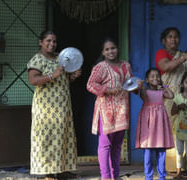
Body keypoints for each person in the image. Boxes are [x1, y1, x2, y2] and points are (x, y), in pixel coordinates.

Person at [27, 30, 81, 179]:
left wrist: (73, 76)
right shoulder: (36, 60)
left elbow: (64, 79)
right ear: (41, 42)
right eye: (48, 41)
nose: (52, 44)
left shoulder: (61, 58)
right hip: (46, 109)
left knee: (64, 136)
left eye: (54, 41)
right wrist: (52, 75)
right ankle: (48, 172)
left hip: (62, 105)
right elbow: (33, 80)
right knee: (47, 138)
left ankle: (63, 169)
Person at [86, 37, 141, 180]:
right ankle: (106, 176)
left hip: (122, 110)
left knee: (117, 146)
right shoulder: (100, 67)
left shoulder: (126, 65)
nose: (111, 51)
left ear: (118, 49)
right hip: (106, 111)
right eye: (107, 49)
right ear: (103, 52)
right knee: (105, 145)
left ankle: (115, 176)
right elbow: (90, 84)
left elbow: (131, 86)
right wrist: (108, 90)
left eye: (113, 48)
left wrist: (137, 87)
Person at [155, 26, 187, 172]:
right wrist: (185, 57)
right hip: (169, 99)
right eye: (170, 37)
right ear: (164, 40)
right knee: (172, 132)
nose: (173, 39)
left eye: (176, 36)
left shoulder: (185, 54)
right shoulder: (161, 53)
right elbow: (167, 67)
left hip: (186, 98)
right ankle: (173, 167)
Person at [135, 68, 174, 180]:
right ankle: (148, 176)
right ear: (147, 80)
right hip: (148, 123)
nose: (155, 78)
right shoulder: (145, 91)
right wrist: (141, 86)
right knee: (147, 150)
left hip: (160, 124)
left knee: (161, 150)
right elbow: (143, 96)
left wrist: (164, 86)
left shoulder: (162, 92)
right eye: (152, 76)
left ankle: (162, 176)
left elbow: (171, 96)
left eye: (157, 76)